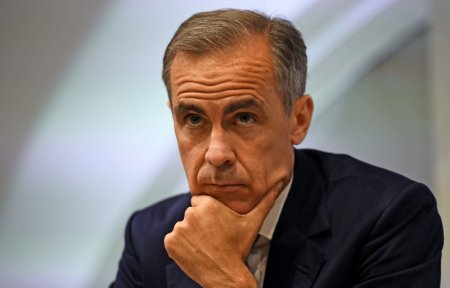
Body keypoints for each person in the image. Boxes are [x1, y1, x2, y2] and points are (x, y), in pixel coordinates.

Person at [110, 9, 443, 288]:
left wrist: (225, 278)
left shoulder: (387, 218)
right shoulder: (150, 235)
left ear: (298, 120)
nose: (216, 154)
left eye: (243, 117)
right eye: (193, 119)